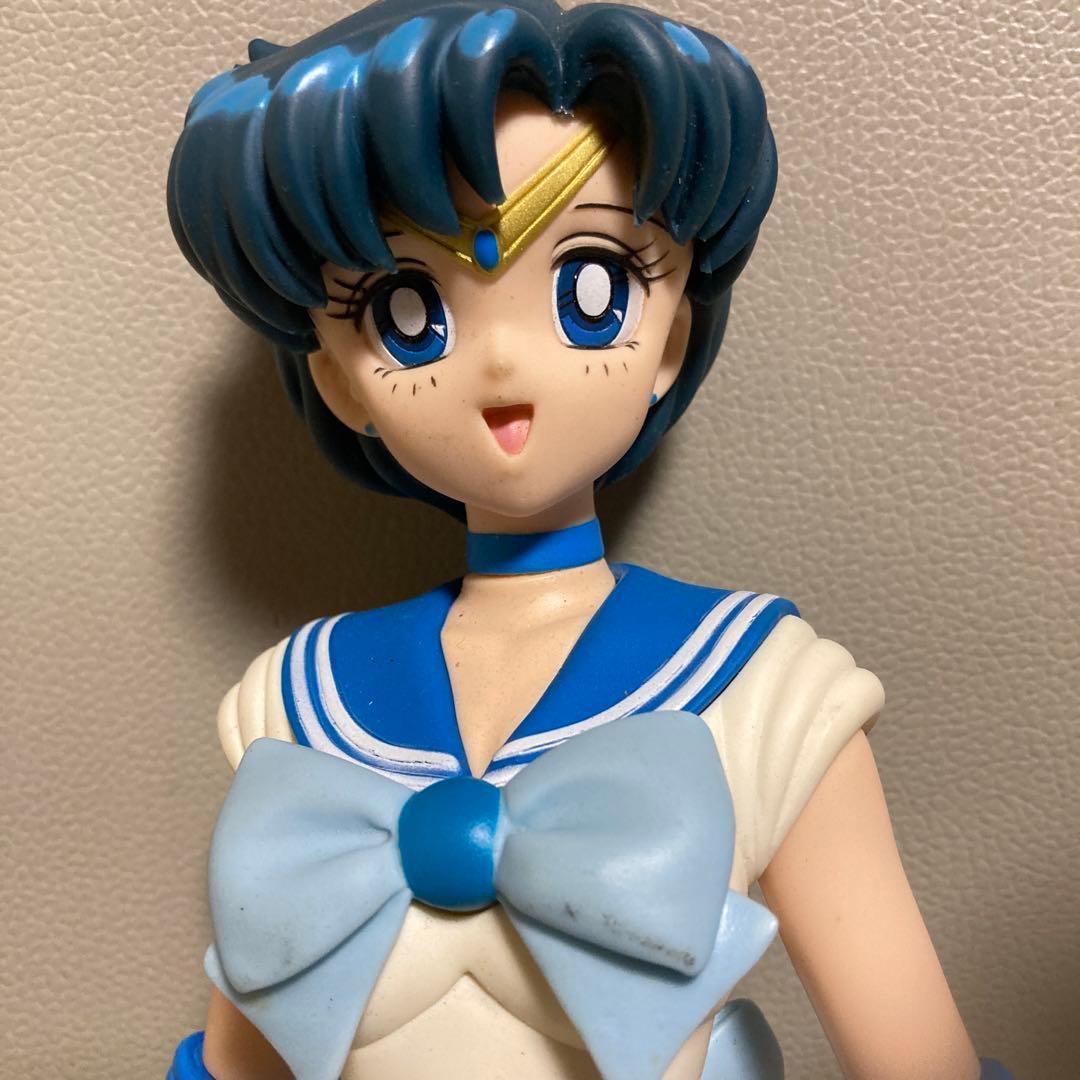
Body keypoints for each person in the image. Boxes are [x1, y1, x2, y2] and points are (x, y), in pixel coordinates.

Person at [166, 2, 1005, 1077]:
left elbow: (916, 1057)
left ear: (671, 339)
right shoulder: (293, 707)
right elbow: (242, 1055)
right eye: (407, 311)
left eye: (590, 289)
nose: (501, 368)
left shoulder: (767, 694)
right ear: (339, 382)